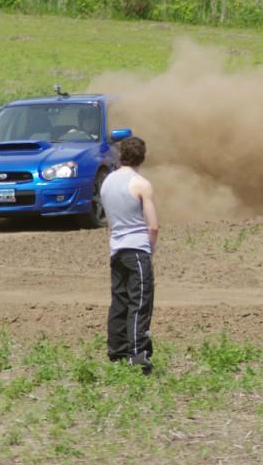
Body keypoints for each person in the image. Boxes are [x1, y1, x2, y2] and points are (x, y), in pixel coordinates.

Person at [100, 136, 159, 374]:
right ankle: (139, 356)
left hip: (116, 248)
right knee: (140, 302)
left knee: (120, 301)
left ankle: (117, 353)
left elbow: (109, 221)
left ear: (120, 154)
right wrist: (150, 249)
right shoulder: (141, 184)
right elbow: (153, 225)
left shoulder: (106, 183)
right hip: (137, 249)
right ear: (142, 158)